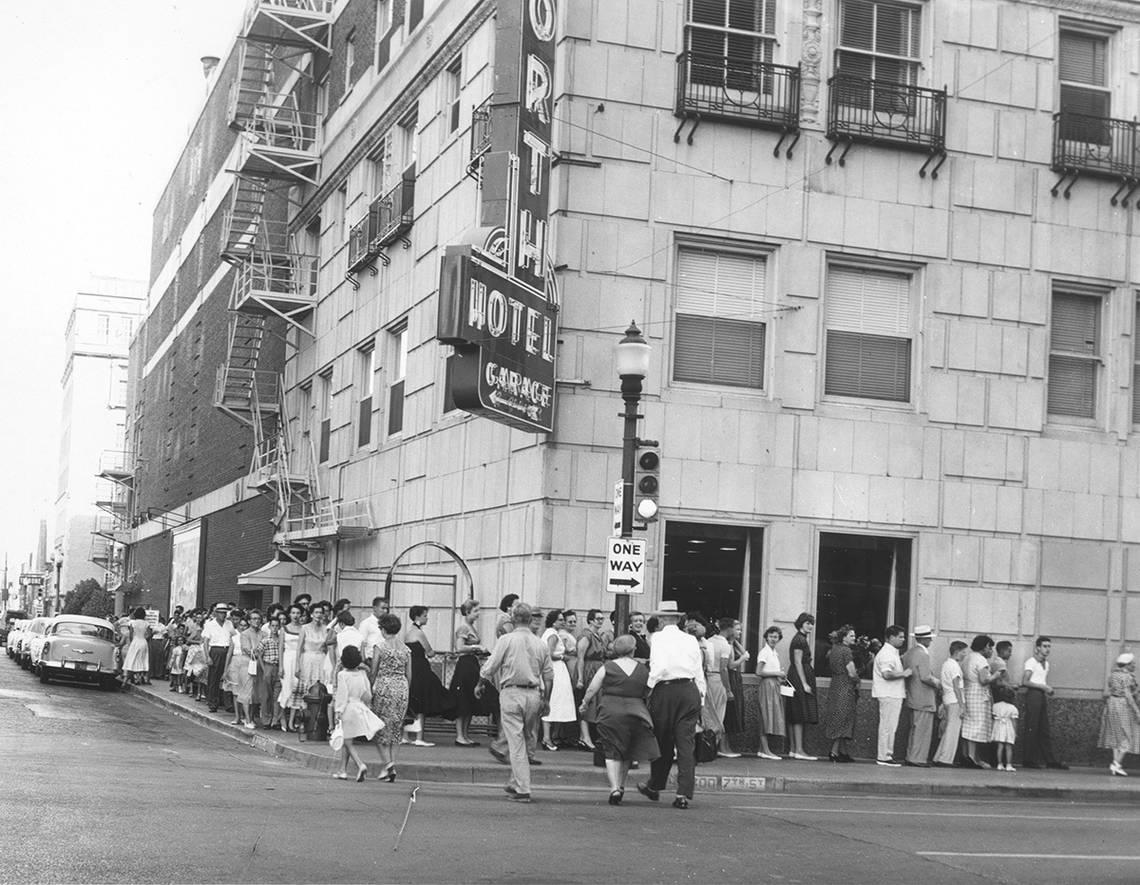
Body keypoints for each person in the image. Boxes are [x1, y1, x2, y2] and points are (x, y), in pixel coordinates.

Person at [479, 602, 554, 804]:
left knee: (516, 743)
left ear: (513, 619)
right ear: (530, 620)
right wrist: (546, 700)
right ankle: (515, 781)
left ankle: (523, 788)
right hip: (534, 693)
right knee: (526, 738)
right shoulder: (541, 643)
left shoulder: (506, 639)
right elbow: (548, 675)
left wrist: (480, 683)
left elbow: (491, 666)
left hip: (512, 692)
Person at [638, 605, 705, 810]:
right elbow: (697, 669)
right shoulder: (690, 639)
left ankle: (656, 785)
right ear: (677, 619)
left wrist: (648, 688)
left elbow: (659, 667)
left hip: (666, 690)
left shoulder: (658, 638)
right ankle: (683, 793)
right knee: (686, 744)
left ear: (661, 620)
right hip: (690, 689)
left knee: (662, 740)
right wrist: (701, 698)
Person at [579, 635, 659, 805]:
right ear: (633, 649)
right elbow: (649, 690)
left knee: (611, 749)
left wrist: (585, 703)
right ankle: (622, 786)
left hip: (610, 710)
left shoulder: (608, 666)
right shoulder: (643, 669)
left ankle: (614, 788)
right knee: (627, 752)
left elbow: (593, 687)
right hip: (636, 710)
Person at [332, 645, 386, 781]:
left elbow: (342, 695)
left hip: (347, 709)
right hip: (360, 708)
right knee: (347, 740)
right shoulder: (362, 674)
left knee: (347, 741)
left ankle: (360, 764)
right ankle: (342, 770)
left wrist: (338, 711)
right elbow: (367, 694)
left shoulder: (342, 675)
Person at [405, 606, 456, 745]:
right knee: (423, 700)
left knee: (412, 700)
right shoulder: (419, 633)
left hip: (410, 668)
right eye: (425, 615)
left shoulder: (407, 632)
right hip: (421, 669)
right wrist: (430, 652)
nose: (427, 618)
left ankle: (406, 736)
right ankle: (419, 737)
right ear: (418, 617)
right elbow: (430, 652)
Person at [369, 614, 412, 782]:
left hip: (383, 687)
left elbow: (374, 671)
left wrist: (370, 689)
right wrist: (404, 690)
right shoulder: (406, 649)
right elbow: (409, 675)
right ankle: (390, 765)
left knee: (380, 728)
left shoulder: (380, 647)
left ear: (383, 629)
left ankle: (388, 765)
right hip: (401, 688)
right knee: (395, 730)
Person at [1021, 636, 1067, 770]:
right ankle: (1028, 759)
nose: (1047, 649)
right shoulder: (1031, 662)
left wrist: (1046, 689)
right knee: (1032, 726)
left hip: (1041, 695)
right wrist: (1043, 687)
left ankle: (1050, 760)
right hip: (1033, 695)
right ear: (1037, 648)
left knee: (1044, 728)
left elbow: (1040, 680)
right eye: (1044, 646)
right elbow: (1025, 681)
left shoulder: (1046, 664)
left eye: (1049, 646)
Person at [450, 599, 490, 746]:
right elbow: (459, 647)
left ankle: (465, 735)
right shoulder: (463, 628)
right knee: (463, 699)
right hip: (465, 665)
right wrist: (477, 647)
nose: (478, 614)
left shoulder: (471, 627)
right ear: (467, 612)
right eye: (475, 611)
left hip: (472, 664)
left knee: (470, 699)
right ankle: (460, 735)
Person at [872, 625, 912, 767]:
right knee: (888, 726)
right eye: (900, 636)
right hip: (889, 694)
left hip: (892, 694)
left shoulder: (891, 652)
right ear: (891, 637)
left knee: (889, 726)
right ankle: (884, 756)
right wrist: (904, 673)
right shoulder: (887, 654)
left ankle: (886, 755)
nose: (903, 639)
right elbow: (886, 674)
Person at [902, 625, 940, 767]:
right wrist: (938, 683)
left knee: (915, 729)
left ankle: (911, 756)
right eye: (929, 638)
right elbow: (925, 677)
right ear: (924, 639)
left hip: (913, 695)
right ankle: (917, 758)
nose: (930, 640)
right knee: (922, 730)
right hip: (924, 697)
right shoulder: (923, 654)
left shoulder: (909, 653)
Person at [540, 610, 577, 751]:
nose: (562, 622)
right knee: (554, 701)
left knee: (556, 701)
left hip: (556, 669)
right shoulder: (553, 635)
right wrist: (563, 657)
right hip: (556, 669)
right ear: (554, 621)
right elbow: (548, 654)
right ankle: (547, 738)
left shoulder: (550, 633)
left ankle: (552, 737)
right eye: (560, 620)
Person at [1098, 652, 1139, 776]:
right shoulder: (1128, 677)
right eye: (1133, 663)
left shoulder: (1113, 675)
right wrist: (1137, 711)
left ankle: (1116, 764)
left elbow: (1110, 689)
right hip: (1122, 705)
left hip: (1112, 704)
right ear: (1127, 665)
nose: (1135, 665)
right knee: (1127, 736)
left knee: (1116, 736)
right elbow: (1128, 696)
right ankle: (1116, 764)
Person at [961, 634, 998, 768]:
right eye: (990, 648)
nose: (991, 651)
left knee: (968, 726)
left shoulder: (968, 658)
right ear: (986, 647)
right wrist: (996, 675)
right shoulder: (981, 660)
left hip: (968, 692)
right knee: (976, 727)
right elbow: (984, 680)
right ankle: (972, 758)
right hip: (978, 695)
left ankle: (967, 756)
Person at [785, 612, 818, 760]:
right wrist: (804, 683)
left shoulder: (799, 638)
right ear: (801, 623)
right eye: (807, 623)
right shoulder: (800, 640)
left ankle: (794, 749)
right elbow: (798, 662)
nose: (810, 626)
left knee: (794, 713)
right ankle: (798, 750)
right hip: (799, 677)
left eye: (812, 623)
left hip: (795, 676)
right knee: (798, 713)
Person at [824, 625, 859, 763]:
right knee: (843, 718)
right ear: (844, 637)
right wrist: (857, 679)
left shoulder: (834, 649)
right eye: (851, 635)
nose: (854, 638)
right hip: (845, 685)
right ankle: (834, 751)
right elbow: (851, 671)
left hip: (836, 684)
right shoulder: (846, 651)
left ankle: (843, 752)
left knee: (839, 716)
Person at [575, 609, 609, 751]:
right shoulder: (586, 636)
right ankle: (585, 737)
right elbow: (580, 657)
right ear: (590, 620)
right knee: (587, 701)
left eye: (602, 619)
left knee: (596, 703)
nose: (600, 621)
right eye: (597, 619)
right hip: (589, 670)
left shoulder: (598, 636)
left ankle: (588, 737)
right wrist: (580, 678)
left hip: (598, 668)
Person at [932, 641, 968, 767]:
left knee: (949, 729)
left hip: (948, 699)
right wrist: (962, 705)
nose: (965, 655)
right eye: (964, 652)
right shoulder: (955, 666)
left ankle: (939, 756)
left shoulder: (946, 664)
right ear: (957, 652)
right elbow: (957, 687)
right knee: (953, 731)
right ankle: (946, 759)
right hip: (955, 700)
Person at [755, 625, 786, 759]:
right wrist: (776, 673)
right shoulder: (765, 652)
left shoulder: (774, 653)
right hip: (767, 685)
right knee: (765, 716)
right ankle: (765, 750)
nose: (773, 639)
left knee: (769, 716)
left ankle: (763, 749)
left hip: (774, 685)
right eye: (771, 636)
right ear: (766, 637)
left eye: (776, 637)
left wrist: (780, 677)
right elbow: (758, 671)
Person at [223, 610, 256, 729]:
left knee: (248, 690)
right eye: (240, 625)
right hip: (235, 662)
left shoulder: (250, 635)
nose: (242, 627)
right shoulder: (235, 637)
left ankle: (248, 717)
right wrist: (225, 669)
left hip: (247, 663)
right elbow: (229, 653)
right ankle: (237, 716)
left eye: (245, 625)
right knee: (236, 691)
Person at [202, 604, 236, 712]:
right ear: (216, 613)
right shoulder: (210, 624)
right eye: (221, 612)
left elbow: (233, 637)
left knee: (227, 677)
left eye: (225, 613)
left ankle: (227, 704)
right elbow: (206, 642)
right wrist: (208, 656)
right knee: (214, 679)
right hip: (215, 650)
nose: (223, 615)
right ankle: (212, 702)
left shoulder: (229, 623)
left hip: (227, 650)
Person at [277, 604, 305, 732]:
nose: (295, 615)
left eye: (298, 613)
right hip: (287, 659)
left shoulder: (304, 629)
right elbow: (281, 648)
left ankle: (291, 721)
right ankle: (282, 717)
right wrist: (280, 666)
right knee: (286, 689)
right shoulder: (284, 629)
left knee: (297, 689)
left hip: (299, 660)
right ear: (289, 614)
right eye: (293, 613)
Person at [722, 619, 748, 741]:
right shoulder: (727, 646)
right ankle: (723, 745)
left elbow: (745, 652)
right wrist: (742, 658)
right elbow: (731, 665)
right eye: (737, 629)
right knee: (729, 711)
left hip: (736, 678)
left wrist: (735, 641)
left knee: (734, 710)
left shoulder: (733, 644)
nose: (740, 632)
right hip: (731, 677)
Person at [258, 615, 283, 730]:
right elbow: (259, 655)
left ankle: (275, 720)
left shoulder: (281, 640)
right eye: (272, 626)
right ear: (269, 626)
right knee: (266, 695)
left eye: (277, 626)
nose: (274, 628)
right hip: (268, 666)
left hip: (279, 666)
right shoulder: (265, 640)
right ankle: (266, 720)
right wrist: (264, 669)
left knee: (277, 696)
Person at [121, 607, 152, 688]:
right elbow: (149, 634)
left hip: (135, 641)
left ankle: (126, 680)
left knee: (131, 659)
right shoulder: (146, 624)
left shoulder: (133, 623)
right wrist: (145, 639)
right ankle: (138, 677)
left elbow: (131, 635)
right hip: (143, 641)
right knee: (141, 660)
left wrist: (132, 641)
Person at [991, 684, 1019, 772]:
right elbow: (1014, 721)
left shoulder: (995, 706)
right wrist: (1015, 732)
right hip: (1008, 727)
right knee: (1008, 747)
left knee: (1000, 746)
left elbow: (993, 716)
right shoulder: (1013, 708)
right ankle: (1009, 764)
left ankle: (999, 764)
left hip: (998, 726)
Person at [358, 596, 388, 663]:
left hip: (384, 660)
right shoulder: (366, 623)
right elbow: (361, 644)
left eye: (386, 608)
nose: (385, 611)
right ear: (374, 608)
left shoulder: (387, 624)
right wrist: (364, 661)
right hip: (370, 659)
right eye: (383, 608)